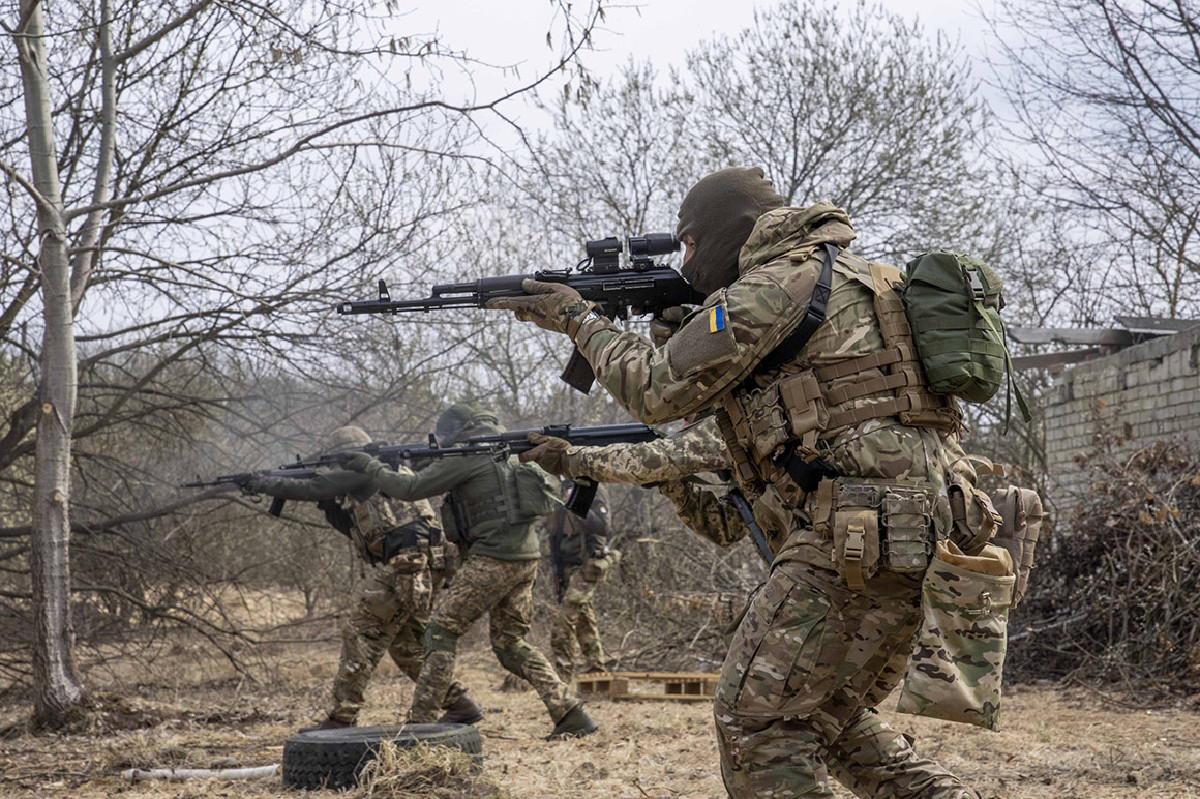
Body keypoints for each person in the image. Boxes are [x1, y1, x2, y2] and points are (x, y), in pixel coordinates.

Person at [489, 167, 988, 797]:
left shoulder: (775, 284)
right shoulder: (863, 278)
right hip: (918, 533)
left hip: (858, 539)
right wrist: (677, 324)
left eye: (690, 244)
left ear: (730, 232)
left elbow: (656, 391)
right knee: (824, 720)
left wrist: (577, 319)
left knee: (757, 727)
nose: (686, 261)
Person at [340, 404, 598, 740]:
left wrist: (370, 465)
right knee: (510, 644)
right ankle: (571, 713)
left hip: (493, 559)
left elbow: (409, 489)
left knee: (439, 632)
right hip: (526, 559)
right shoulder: (506, 451)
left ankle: (421, 725)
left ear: (458, 430)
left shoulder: (469, 454)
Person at [249, 425, 483, 731]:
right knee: (407, 644)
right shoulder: (388, 471)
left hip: (409, 562)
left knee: (361, 632)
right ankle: (460, 705)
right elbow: (363, 531)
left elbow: (313, 487)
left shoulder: (363, 470)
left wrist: (263, 483)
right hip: (428, 559)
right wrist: (329, 506)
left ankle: (341, 717)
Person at [544, 482, 617, 683]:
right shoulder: (563, 486)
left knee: (563, 622)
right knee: (584, 620)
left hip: (586, 565)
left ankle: (562, 680)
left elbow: (603, 527)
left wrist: (577, 503)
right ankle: (596, 672)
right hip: (566, 565)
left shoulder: (592, 487)